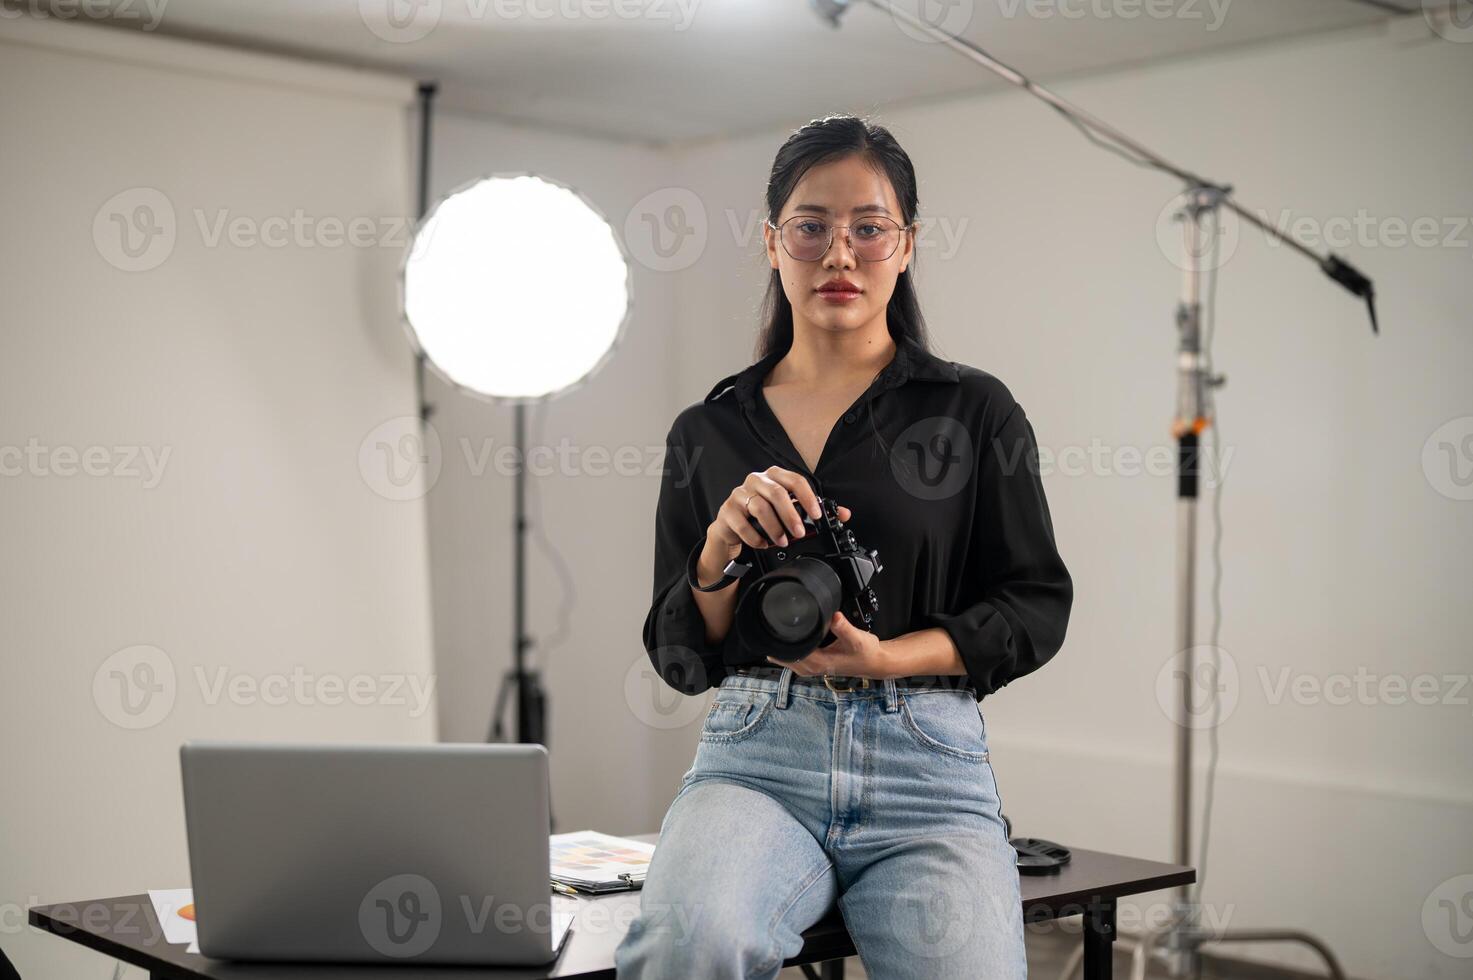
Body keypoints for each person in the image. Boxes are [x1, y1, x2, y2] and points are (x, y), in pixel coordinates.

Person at [614, 114, 1073, 979]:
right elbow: (680, 654)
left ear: (905, 247)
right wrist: (714, 555)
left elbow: (1032, 605)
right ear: (771, 243)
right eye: (810, 227)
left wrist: (891, 656)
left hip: (926, 772)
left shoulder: (971, 411)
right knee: (686, 943)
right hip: (757, 757)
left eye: (868, 228)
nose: (838, 255)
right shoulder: (708, 431)